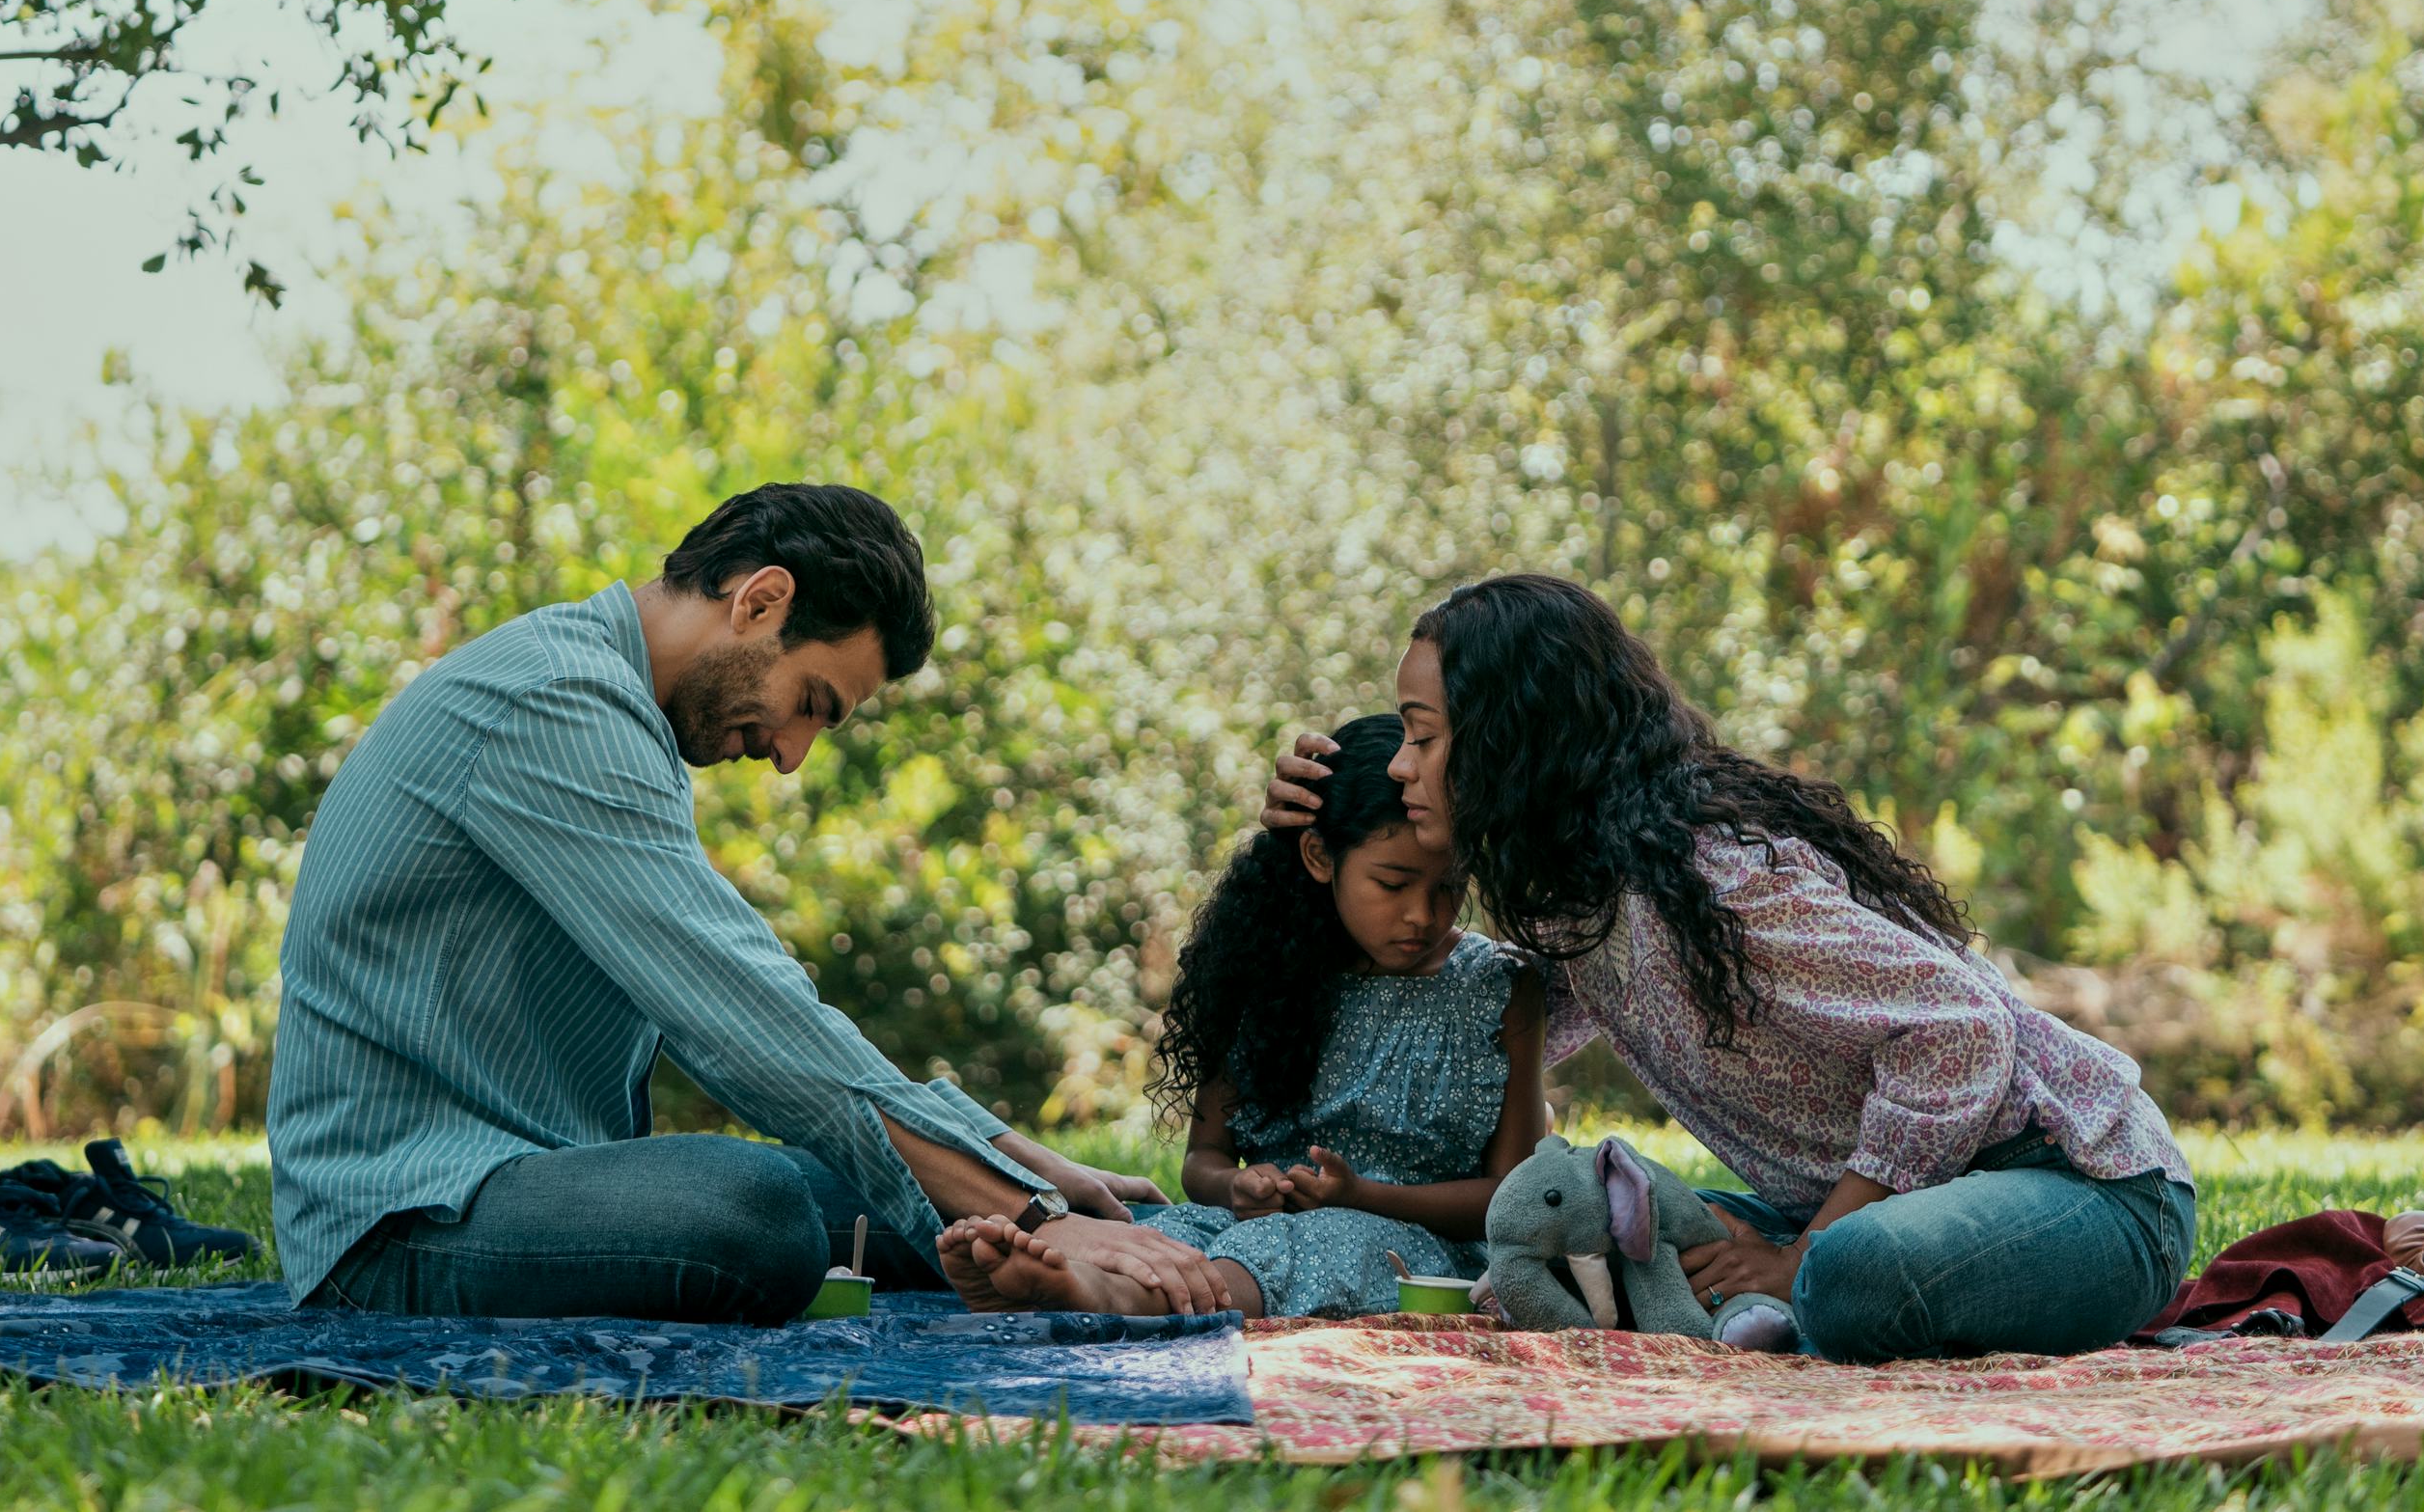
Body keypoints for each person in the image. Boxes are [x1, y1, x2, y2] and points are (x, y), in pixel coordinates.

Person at [268, 482, 1226, 1324]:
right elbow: (739, 1009)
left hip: (521, 1176)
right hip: (401, 1218)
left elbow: (762, 999)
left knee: (902, 1196)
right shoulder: (554, 702)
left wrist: (1011, 1162)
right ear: (760, 599)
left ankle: (1145, 1251)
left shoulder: (604, 699)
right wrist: (1027, 1206)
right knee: (757, 1209)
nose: (792, 752)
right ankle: (1050, 1234)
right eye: (812, 699)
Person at [1259, 574, 2196, 1362]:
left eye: (1421, 736)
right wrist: (1307, 844)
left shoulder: (1713, 878)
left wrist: (1806, 1251)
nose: (1402, 769)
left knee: (1844, 1275)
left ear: (1508, 737)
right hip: (1850, 1210)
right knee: (1556, 1237)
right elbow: (1457, 1017)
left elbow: (1960, 1032)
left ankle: (1789, 1284)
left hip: (2084, 1188)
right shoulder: (1577, 904)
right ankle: (1767, 1290)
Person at [937, 715, 1545, 1317]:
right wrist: (1236, 1187)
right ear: (1319, 856)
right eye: (1392, 884)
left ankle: (1107, 1297)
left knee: (1313, 1244)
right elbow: (1203, 1160)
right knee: (1172, 1232)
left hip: (1413, 1250)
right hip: (1247, 1226)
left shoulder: (1499, 987)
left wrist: (1365, 1196)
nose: (1422, 914)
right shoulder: (1266, 973)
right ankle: (1082, 1272)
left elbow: (1513, 1200)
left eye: (1449, 887)